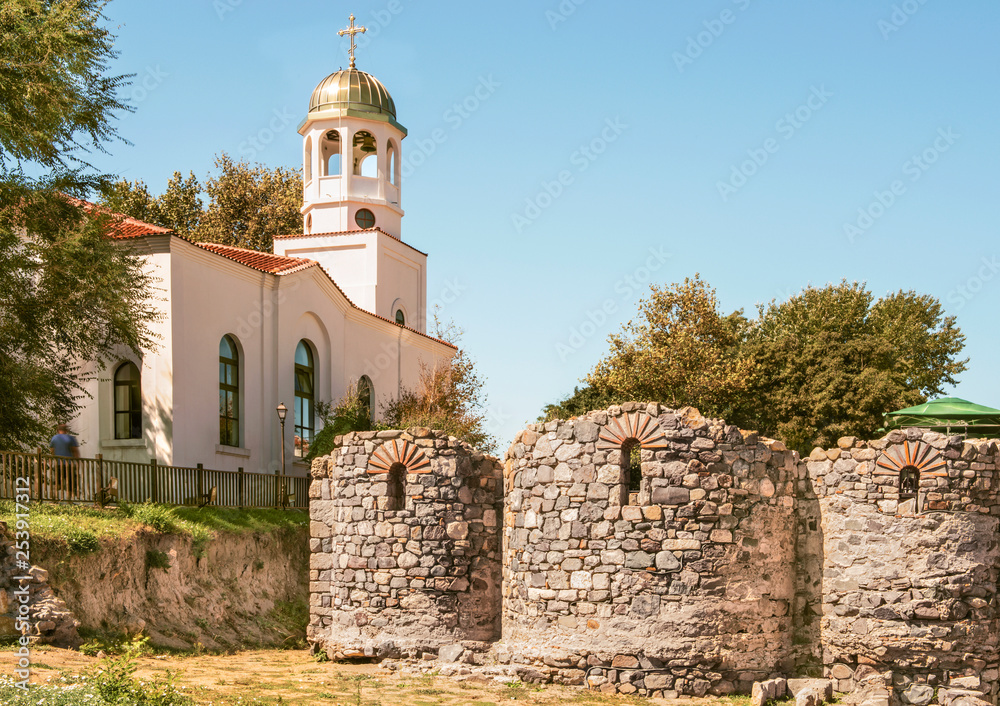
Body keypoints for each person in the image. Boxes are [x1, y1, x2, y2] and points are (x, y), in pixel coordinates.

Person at [49, 424, 80, 500]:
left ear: (58, 430)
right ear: (66, 430)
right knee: (70, 483)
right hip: (69, 464)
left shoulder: (54, 438)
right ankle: (70, 500)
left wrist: (52, 461)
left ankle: (53, 498)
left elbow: (52, 451)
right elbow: (75, 451)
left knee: (57, 483)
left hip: (58, 464)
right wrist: (77, 463)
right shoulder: (70, 438)